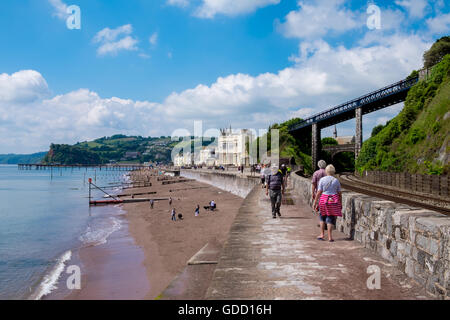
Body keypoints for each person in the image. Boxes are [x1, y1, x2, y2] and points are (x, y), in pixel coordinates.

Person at [312, 165, 342, 242]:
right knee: (330, 218)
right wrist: (340, 203)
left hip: (323, 200)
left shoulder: (322, 180)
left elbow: (319, 192)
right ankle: (330, 237)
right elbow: (339, 193)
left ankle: (322, 235)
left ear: (326, 171)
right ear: (333, 171)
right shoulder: (336, 181)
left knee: (322, 217)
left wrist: (315, 202)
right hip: (333, 201)